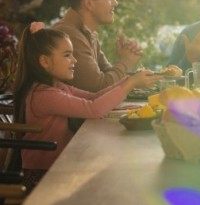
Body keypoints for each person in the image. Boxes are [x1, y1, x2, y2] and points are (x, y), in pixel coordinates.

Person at [13, 22, 158, 191]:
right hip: (43, 175)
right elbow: (94, 109)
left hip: (59, 164)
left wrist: (128, 81)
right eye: (67, 55)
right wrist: (131, 83)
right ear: (44, 61)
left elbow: (94, 97)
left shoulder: (57, 86)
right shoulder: (43, 95)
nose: (74, 60)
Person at [52, 0, 142, 92]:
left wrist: (122, 61)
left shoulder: (87, 33)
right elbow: (100, 87)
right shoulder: (68, 35)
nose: (115, 2)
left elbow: (108, 77)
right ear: (89, 3)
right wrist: (126, 61)